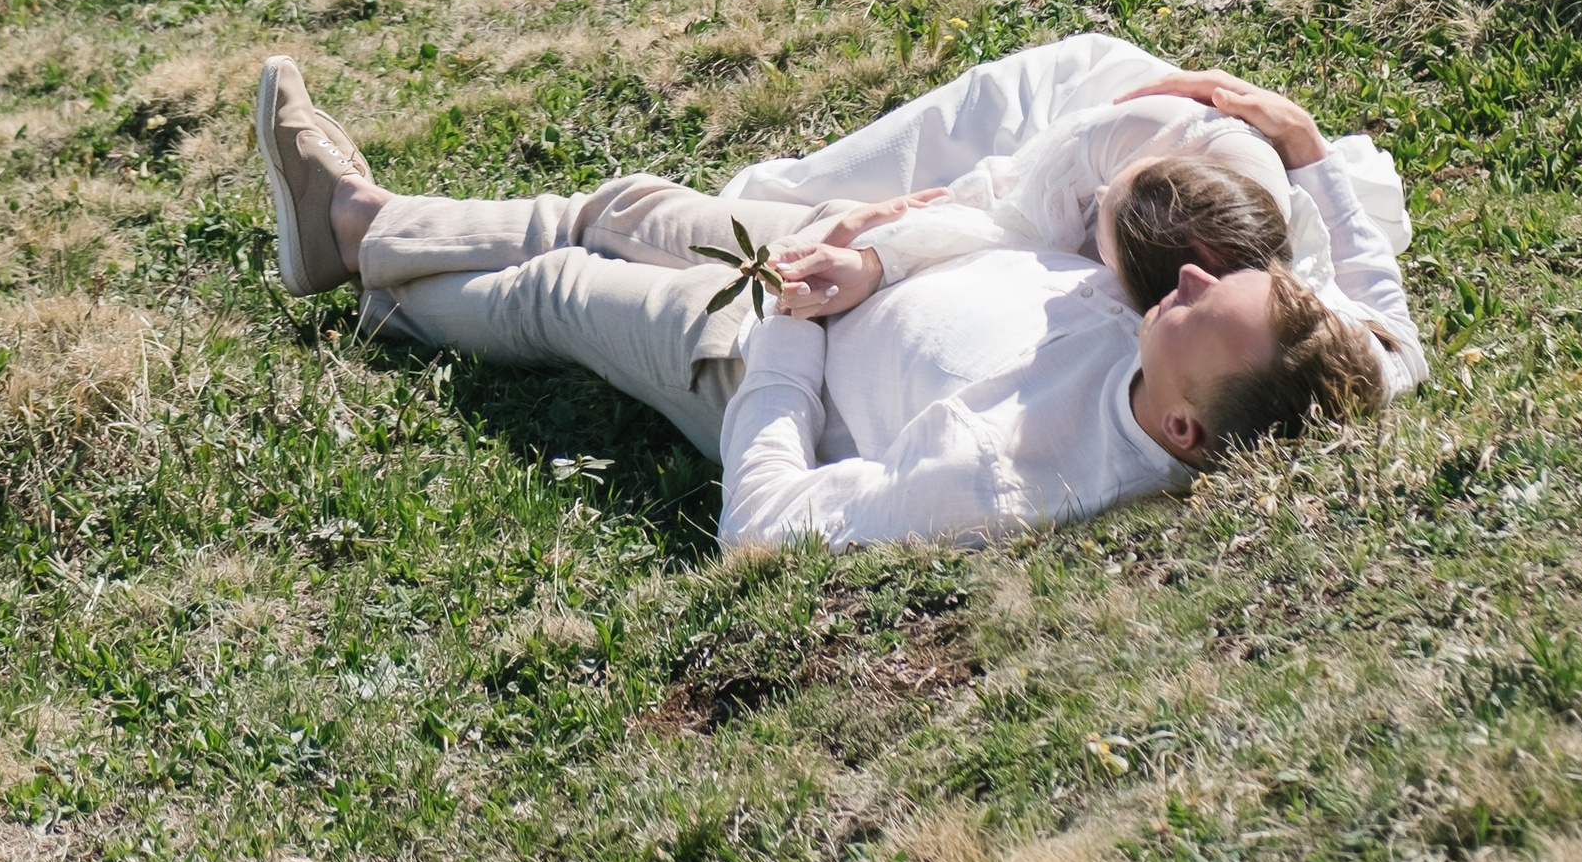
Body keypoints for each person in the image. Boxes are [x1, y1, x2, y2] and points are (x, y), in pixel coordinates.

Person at [254, 33, 1424, 552]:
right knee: (627, 208)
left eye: (1188, 306)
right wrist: (1309, 154)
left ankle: (363, 251)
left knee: (560, 291)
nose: (1185, 282)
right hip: (862, 260)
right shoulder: (1313, 363)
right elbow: (1385, 325)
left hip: (771, 353)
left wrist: (786, 337)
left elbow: (763, 527)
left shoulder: (1010, 472)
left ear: (1180, 431)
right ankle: (357, 235)